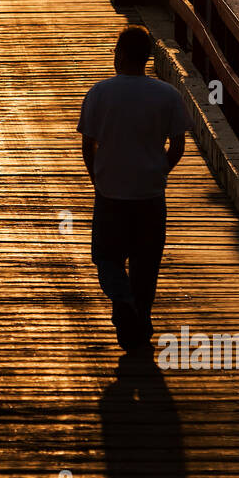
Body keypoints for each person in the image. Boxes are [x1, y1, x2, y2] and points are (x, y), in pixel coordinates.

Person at [77, 25, 190, 353]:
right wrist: (160, 170)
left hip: (110, 191)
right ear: (147, 58)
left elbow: (89, 142)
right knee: (146, 261)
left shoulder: (100, 92)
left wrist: (95, 175)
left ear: (121, 55)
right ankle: (141, 315)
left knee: (106, 256)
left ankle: (123, 301)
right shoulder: (167, 94)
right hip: (150, 194)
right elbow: (179, 144)